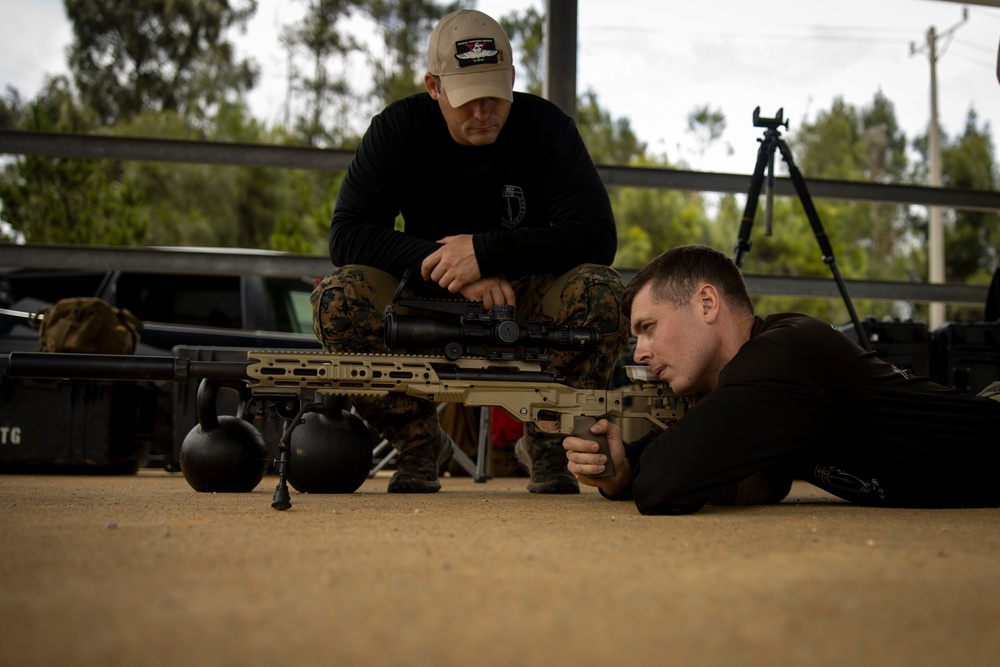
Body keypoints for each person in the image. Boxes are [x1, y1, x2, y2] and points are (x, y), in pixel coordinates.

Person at [311, 9, 629, 494]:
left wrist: (485, 252)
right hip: (426, 294)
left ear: (513, 79)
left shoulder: (546, 127)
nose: (483, 112)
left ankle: (547, 445)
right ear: (434, 87)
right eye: (466, 99)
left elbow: (596, 235)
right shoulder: (398, 127)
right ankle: (418, 444)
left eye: (494, 96)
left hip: (525, 295)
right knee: (337, 301)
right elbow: (348, 234)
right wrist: (449, 266)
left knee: (602, 292)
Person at [564, 244, 1000, 515]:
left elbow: (665, 482)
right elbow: (695, 450)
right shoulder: (762, 372)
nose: (639, 351)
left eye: (648, 326)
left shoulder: (780, 355)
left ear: (706, 303)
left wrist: (639, 475)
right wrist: (620, 472)